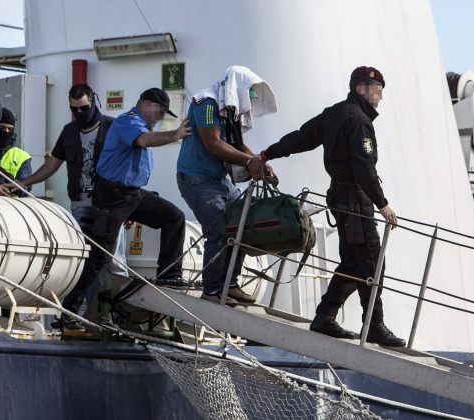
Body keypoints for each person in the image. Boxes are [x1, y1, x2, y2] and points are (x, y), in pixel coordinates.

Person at [251, 66, 405, 347]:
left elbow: (302, 137)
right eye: (378, 91)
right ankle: (374, 325)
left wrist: (268, 152)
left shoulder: (334, 113)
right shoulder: (358, 121)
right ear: (362, 89)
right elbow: (364, 167)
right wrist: (382, 204)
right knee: (371, 260)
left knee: (353, 262)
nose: (380, 98)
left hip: (340, 198)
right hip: (355, 202)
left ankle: (325, 316)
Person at [60, 87, 192, 318]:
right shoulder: (128, 122)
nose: (161, 119)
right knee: (100, 258)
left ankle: (169, 275)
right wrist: (175, 135)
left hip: (131, 195)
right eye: (161, 113)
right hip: (111, 198)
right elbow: (143, 141)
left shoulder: (140, 125)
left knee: (174, 217)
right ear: (148, 105)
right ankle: (69, 314)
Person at [3, 84, 128, 322]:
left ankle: (121, 317)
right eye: (74, 109)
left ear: (94, 100)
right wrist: (22, 183)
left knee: (115, 263)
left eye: (84, 108)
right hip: (81, 206)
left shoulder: (113, 127)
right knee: (87, 264)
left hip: (110, 206)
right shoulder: (69, 132)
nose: (80, 113)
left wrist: (131, 205)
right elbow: (52, 165)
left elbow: (130, 165)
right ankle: (94, 317)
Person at [176, 65, 278, 306]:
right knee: (219, 232)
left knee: (241, 225)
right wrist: (250, 161)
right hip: (197, 178)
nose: (251, 98)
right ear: (237, 88)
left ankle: (230, 286)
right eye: (250, 92)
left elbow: (238, 145)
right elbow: (213, 144)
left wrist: (261, 162)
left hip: (219, 179)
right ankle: (212, 291)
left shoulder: (228, 109)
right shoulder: (207, 103)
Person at [0, 107, 32, 193]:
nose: (6, 132)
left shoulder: (23, 157)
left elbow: (25, 190)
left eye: (10, 129)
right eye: (2, 128)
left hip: (10, 204)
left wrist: (5, 177)